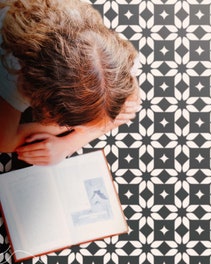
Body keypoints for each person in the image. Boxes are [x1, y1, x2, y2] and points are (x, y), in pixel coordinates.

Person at [0, 0, 140, 166]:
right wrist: (85, 130)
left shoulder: (111, 54)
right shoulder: (12, 70)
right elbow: (4, 140)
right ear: (49, 110)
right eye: (72, 123)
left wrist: (72, 142)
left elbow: (133, 98)